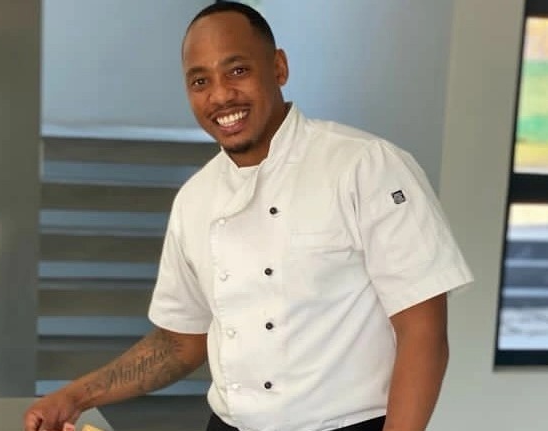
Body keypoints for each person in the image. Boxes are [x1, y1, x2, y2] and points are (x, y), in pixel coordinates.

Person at [24, 2, 473, 431]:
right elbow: (180, 342)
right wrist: (76, 396)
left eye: (237, 71)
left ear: (279, 67)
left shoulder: (365, 166)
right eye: (200, 81)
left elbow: (423, 330)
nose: (221, 95)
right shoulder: (195, 199)